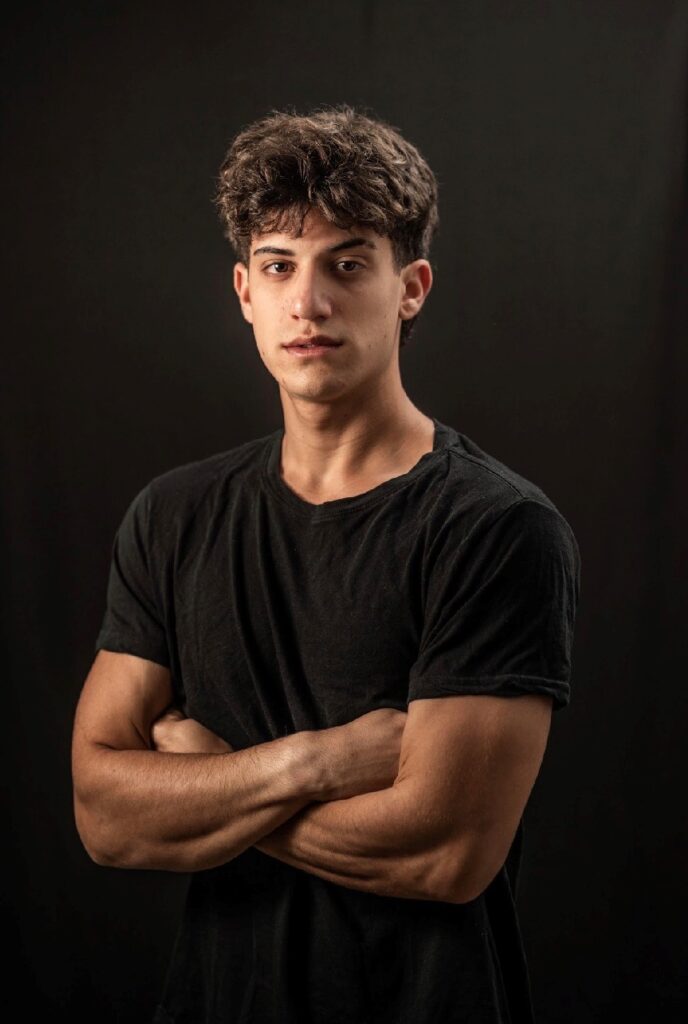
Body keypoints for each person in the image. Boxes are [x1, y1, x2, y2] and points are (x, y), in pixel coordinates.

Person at [71, 103, 581, 1024]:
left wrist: (212, 782)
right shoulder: (174, 516)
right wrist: (315, 763)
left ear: (411, 288)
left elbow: (445, 855)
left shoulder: (497, 528)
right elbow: (104, 815)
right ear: (244, 291)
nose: (308, 303)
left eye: (347, 264)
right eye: (279, 266)